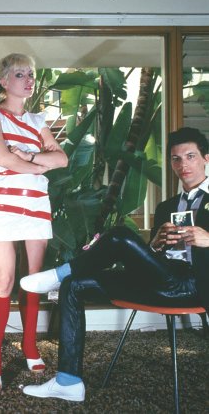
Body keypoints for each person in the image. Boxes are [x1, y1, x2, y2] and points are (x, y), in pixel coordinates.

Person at [21, 126, 209, 402]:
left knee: (120, 235)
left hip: (193, 285)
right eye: (176, 159)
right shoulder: (166, 207)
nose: (183, 165)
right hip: (161, 279)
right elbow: (154, 256)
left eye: (190, 156)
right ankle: (68, 382)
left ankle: (59, 273)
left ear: (206, 159)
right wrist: (155, 244)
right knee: (73, 286)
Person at [0, 53, 68, 393]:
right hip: (4, 205)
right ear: (4, 81)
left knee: (33, 278)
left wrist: (27, 156)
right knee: (3, 279)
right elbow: (2, 158)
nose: (28, 80)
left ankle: (29, 345)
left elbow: (62, 159)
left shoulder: (37, 119)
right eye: (20, 74)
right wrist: (40, 165)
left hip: (37, 205)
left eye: (31, 74)